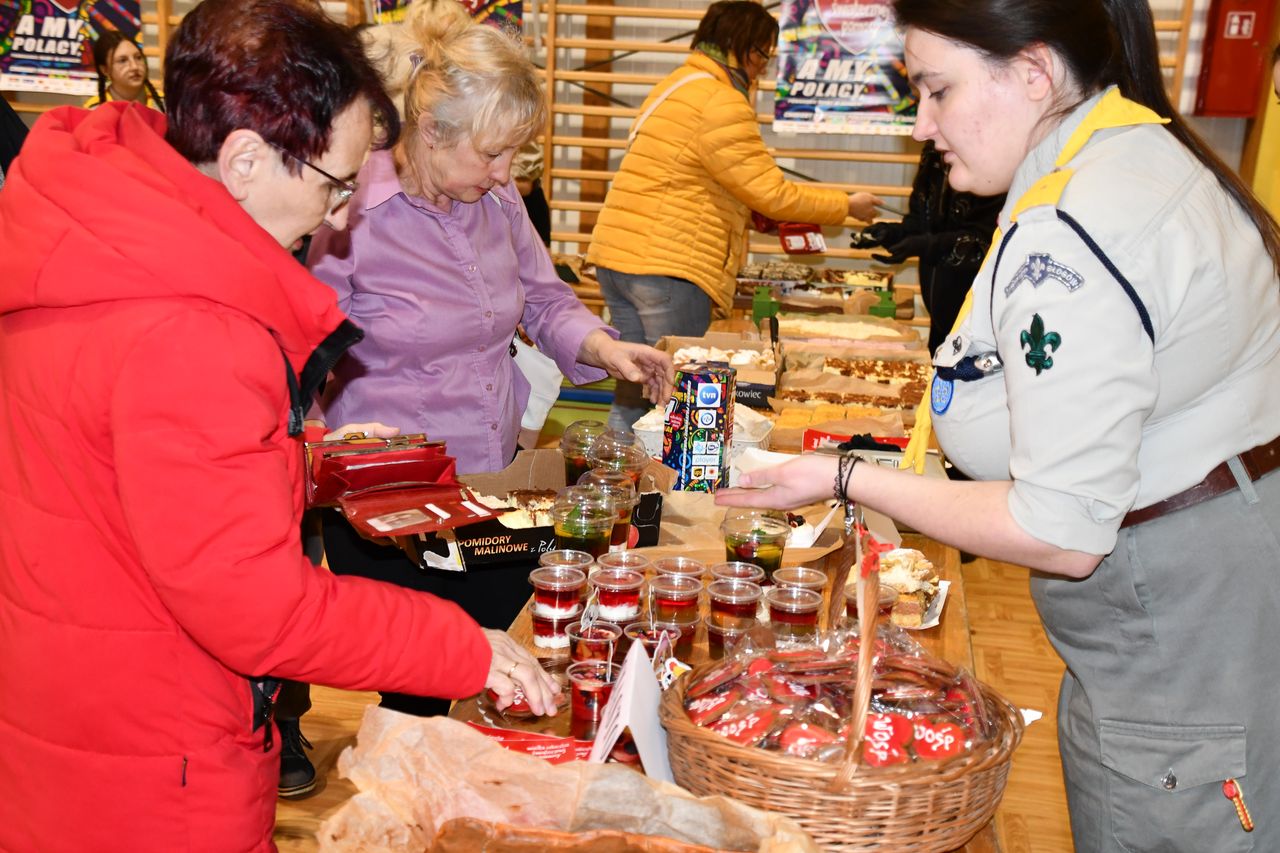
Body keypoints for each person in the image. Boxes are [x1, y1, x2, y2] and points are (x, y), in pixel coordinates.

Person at [717, 0, 1280, 850]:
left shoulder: (1075, 227)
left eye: (938, 90)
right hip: (1205, 595)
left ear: (1034, 71)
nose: (922, 125)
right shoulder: (1122, 154)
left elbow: (1059, 528)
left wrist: (844, 477)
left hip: (1177, 631)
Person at [0, 0, 557, 848]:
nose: (339, 217)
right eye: (335, 185)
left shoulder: (96, 233)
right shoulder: (195, 328)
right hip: (160, 752)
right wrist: (461, 646)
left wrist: (301, 457)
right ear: (245, 160)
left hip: (66, 698)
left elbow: (134, 473)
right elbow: (259, 607)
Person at [306, 0, 672, 717]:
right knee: (418, 697)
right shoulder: (350, 213)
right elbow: (300, 354)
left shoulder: (497, 202)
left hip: (494, 493)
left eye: (514, 153)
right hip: (394, 509)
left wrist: (606, 348)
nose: (506, 173)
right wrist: (315, 450)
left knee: (503, 682)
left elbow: (545, 299)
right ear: (429, 130)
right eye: (491, 153)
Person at [586, 0, 881, 435]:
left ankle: (614, 469)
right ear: (739, 45)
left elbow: (698, 179)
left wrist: (746, 210)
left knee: (636, 387)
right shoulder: (720, 100)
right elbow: (771, 192)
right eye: (762, 54)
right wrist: (847, 206)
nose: (761, 68)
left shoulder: (676, 84)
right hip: (669, 268)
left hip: (620, 258)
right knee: (679, 398)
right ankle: (660, 477)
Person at [854, 140, 1004, 354]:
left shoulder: (994, 159)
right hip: (939, 315)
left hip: (978, 326)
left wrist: (924, 245)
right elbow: (920, 220)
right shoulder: (933, 150)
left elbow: (983, 245)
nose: (922, 131)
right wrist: (893, 233)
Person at [83, 30, 165, 112]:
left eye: (138, 57)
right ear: (105, 70)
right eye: (122, 61)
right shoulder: (93, 110)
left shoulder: (164, 103)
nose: (134, 67)